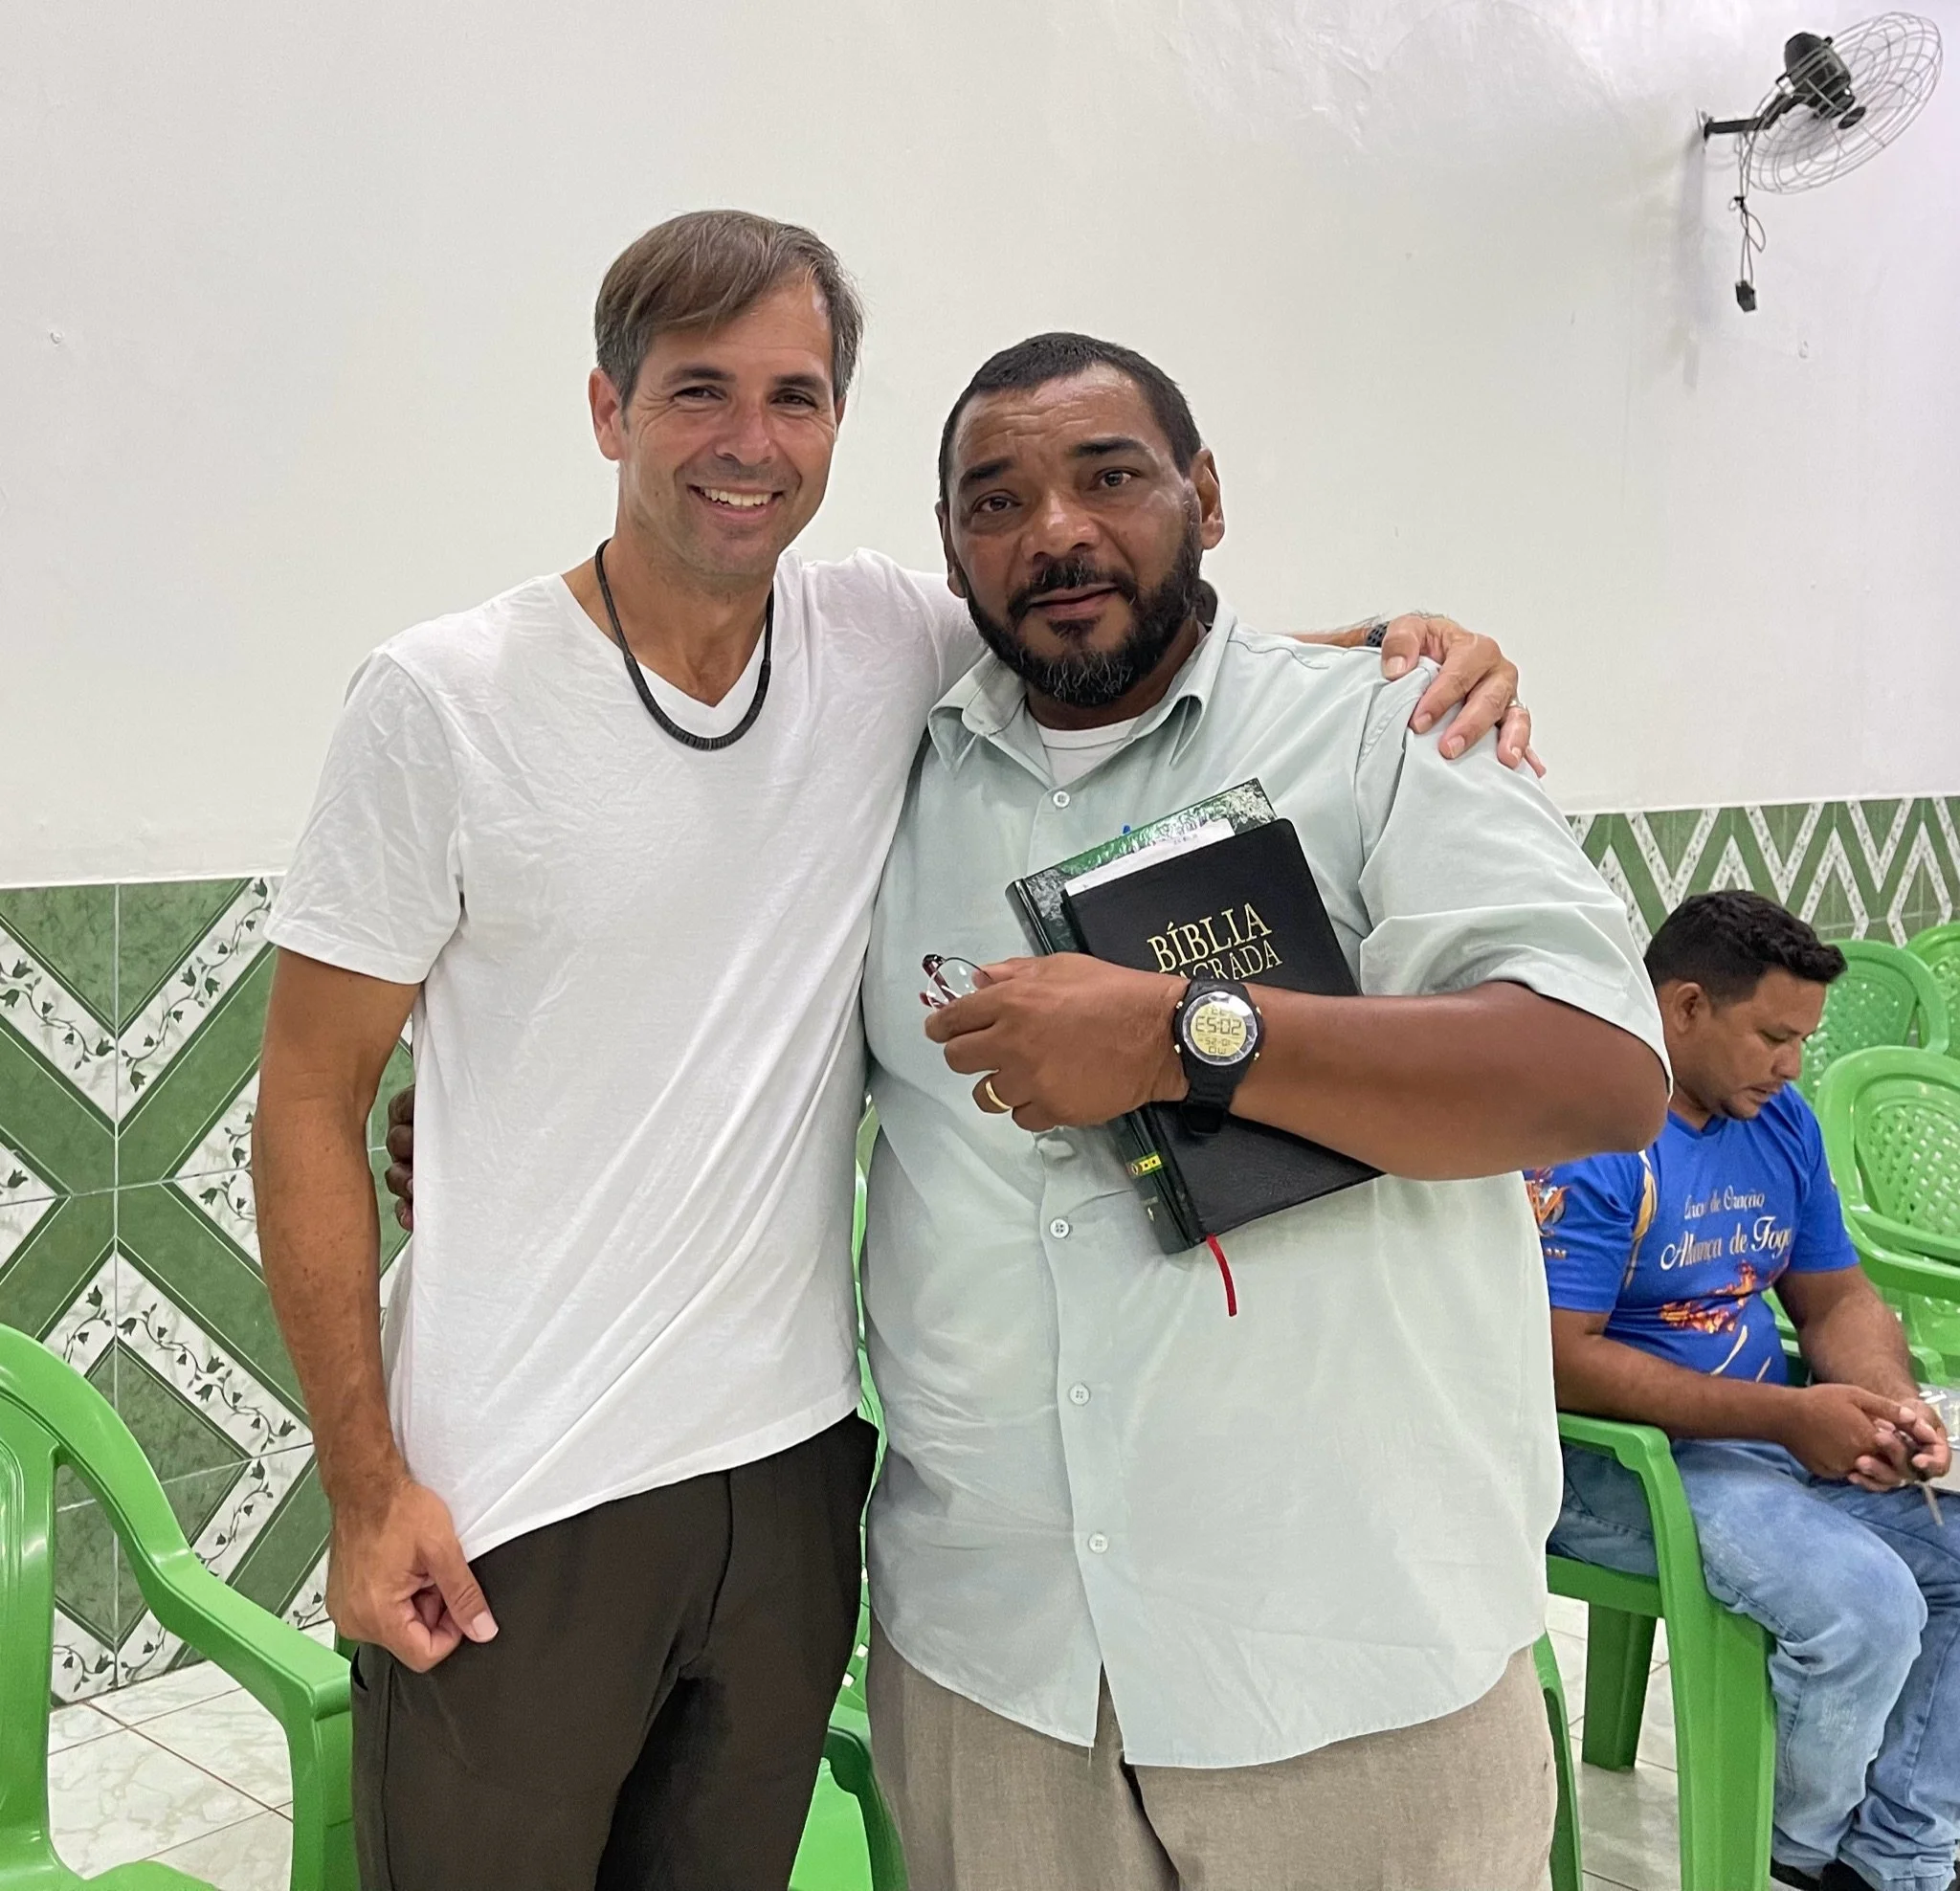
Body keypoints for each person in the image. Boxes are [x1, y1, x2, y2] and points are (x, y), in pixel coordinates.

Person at [254, 210, 1531, 1890]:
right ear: (607, 408)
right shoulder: (443, 698)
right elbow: (308, 1099)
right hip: (521, 1485)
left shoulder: (880, 642)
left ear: (837, 425)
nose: (749, 440)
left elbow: (1115, 624)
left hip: (794, 1473)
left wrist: (1399, 650)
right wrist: (364, 1488)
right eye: (698, 390)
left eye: (793, 396)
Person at [844, 330, 1672, 1891]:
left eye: (1108, 477)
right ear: (950, 553)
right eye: (995, 501)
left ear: (1204, 497)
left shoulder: (1382, 733)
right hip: (995, 1662)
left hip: (1347, 1654)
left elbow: (1599, 1072)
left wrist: (1187, 1035)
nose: (1055, 531)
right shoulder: (894, 779)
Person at [1533, 890, 1957, 1891]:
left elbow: (1835, 1294)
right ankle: (1797, 1847)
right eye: (1773, 1036)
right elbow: (1558, 1361)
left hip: (1760, 1444)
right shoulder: (1598, 1134)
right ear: (1683, 1006)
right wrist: (1787, 1416)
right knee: (1864, 1606)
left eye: (1802, 1039)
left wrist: (1890, 1404)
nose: (1793, 1065)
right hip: (1612, 1465)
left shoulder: (1777, 1122)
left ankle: (1897, 1855)